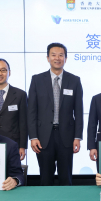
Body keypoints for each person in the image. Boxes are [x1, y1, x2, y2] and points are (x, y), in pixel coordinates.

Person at [27, 43, 83, 186]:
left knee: (66, 177)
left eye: (61, 55)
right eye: (53, 55)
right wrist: (33, 137)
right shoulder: (37, 80)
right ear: (48, 58)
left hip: (67, 136)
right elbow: (31, 111)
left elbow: (78, 111)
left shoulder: (74, 80)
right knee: (45, 177)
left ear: (66, 58)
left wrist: (77, 137)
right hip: (43, 136)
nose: (57, 58)